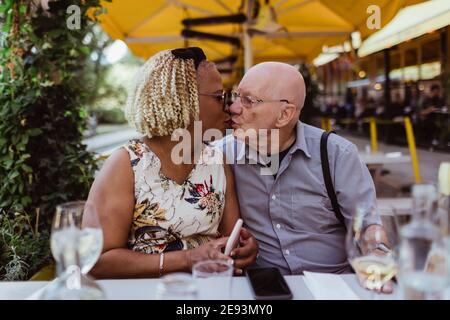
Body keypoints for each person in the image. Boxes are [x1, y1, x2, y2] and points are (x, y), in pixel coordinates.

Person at [83, 47, 258, 279]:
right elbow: (96, 259)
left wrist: (243, 249)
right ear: (183, 101)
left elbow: (230, 240)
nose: (229, 106)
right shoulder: (126, 165)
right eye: (219, 97)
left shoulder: (217, 161)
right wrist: (187, 259)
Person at [223, 62, 387, 278]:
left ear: (284, 114)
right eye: (236, 96)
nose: (233, 107)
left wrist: (378, 256)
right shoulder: (222, 156)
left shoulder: (337, 155)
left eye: (248, 100)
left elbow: (367, 227)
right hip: (265, 288)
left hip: (333, 285)